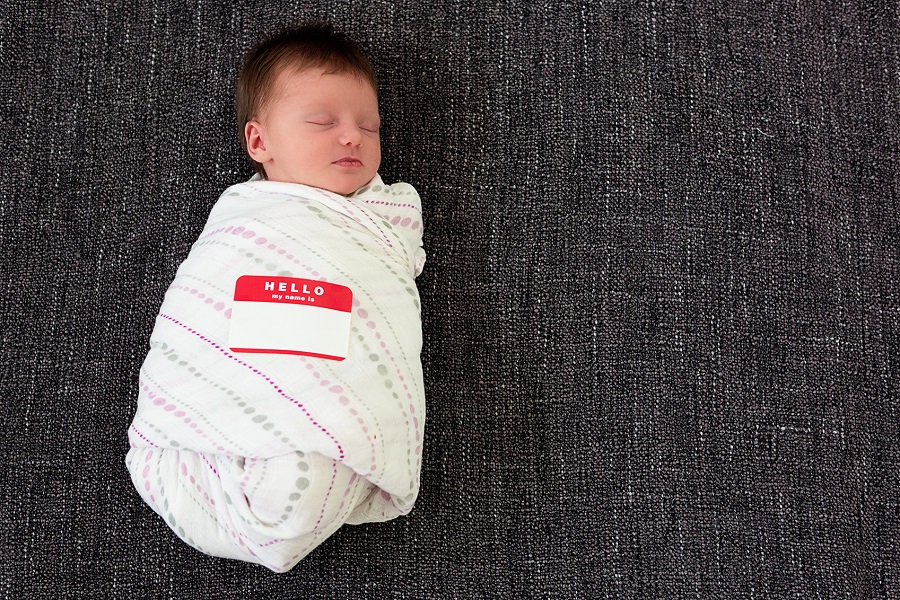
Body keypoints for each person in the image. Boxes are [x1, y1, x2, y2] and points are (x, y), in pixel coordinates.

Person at [125, 23, 426, 573]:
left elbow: (390, 282)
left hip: (333, 404)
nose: (353, 137)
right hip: (239, 380)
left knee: (309, 475)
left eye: (369, 126)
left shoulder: (388, 214)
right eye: (323, 122)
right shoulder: (245, 217)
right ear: (260, 142)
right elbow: (208, 290)